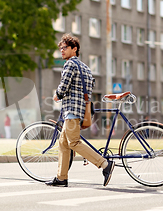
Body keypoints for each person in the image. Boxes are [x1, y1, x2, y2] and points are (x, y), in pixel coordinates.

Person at [46, 34, 115, 187]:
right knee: (63, 143)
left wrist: (56, 95)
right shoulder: (85, 67)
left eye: (65, 48)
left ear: (74, 49)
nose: (62, 51)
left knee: (74, 142)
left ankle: (104, 164)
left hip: (71, 110)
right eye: (61, 48)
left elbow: (63, 87)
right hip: (80, 110)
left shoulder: (70, 64)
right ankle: (61, 178)